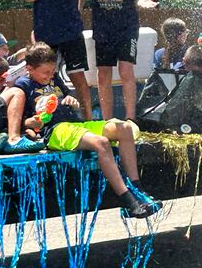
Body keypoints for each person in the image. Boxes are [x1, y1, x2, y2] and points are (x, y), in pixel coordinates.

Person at [17, 42, 161, 218]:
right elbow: (23, 122)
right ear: (29, 69)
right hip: (55, 130)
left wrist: (71, 99)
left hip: (75, 124)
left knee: (124, 129)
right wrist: (36, 120)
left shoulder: (54, 78)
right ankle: (127, 200)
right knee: (101, 143)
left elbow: (67, 95)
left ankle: (137, 190)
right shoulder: (22, 86)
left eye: (52, 70)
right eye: (46, 72)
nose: (50, 75)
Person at [84, 0, 158, 120]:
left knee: (126, 70)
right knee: (103, 74)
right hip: (103, 29)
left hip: (126, 28)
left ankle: (130, 119)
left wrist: (143, 3)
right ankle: (106, 120)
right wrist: (77, 8)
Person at [159, 45, 202, 134]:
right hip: (190, 122)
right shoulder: (201, 75)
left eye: (187, 62)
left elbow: (180, 107)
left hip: (189, 124)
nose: (183, 64)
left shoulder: (196, 78)